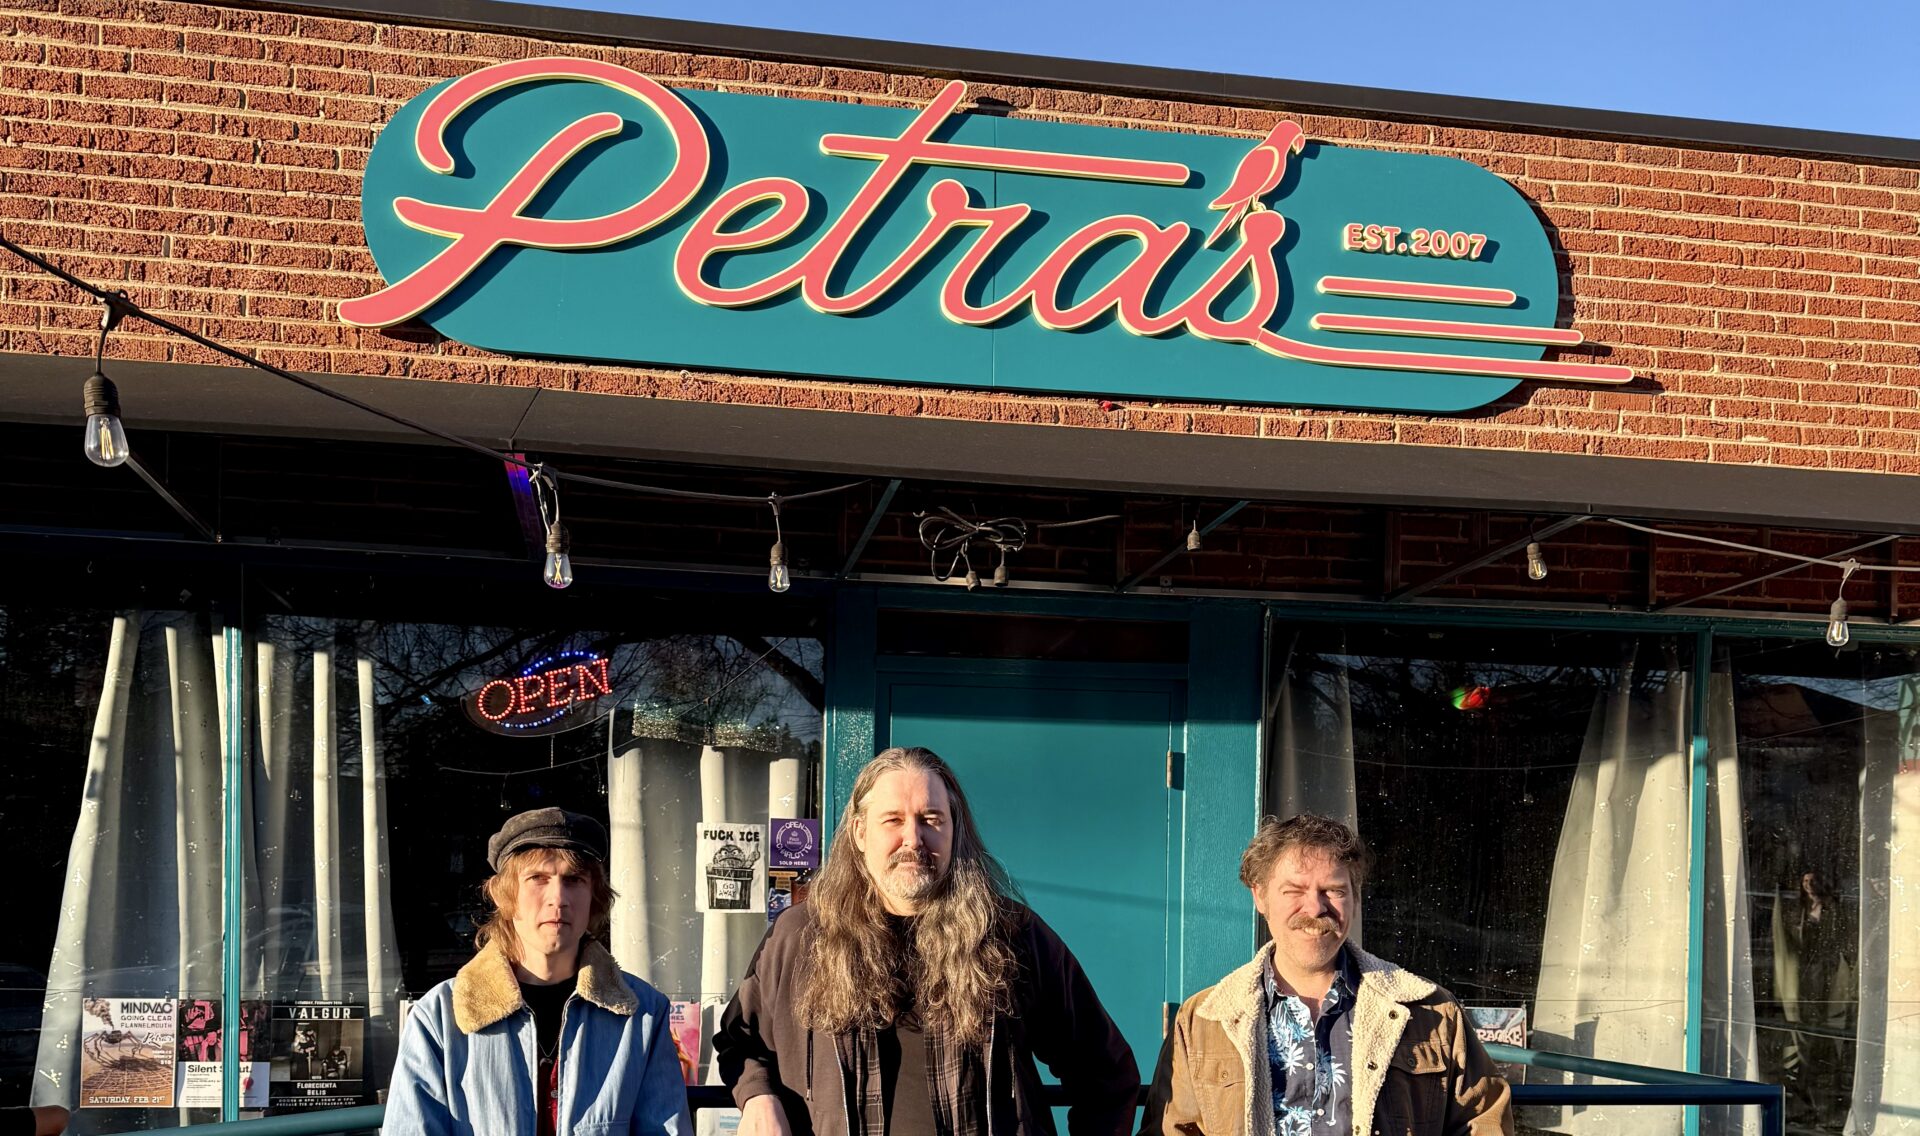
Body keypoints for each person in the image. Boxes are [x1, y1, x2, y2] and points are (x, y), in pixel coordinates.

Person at [716, 746, 1139, 1136]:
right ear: (860, 833)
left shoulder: (1011, 935)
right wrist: (758, 1096)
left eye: (931, 819)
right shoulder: (800, 937)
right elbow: (741, 1041)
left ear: (955, 830)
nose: (913, 839)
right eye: (893, 820)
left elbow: (1106, 1071)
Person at [1143, 814, 1510, 1136]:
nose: (1316, 908)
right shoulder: (1204, 1020)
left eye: (1333, 891)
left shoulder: (1432, 1013)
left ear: (1355, 898)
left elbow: (1484, 1121)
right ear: (1260, 896)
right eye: (1294, 890)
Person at [386, 807, 691, 1136]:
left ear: (594, 896)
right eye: (537, 878)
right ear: (504, 895)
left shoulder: (643, 1014)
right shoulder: (439, 1018)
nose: (558, 898)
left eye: (574, 880)